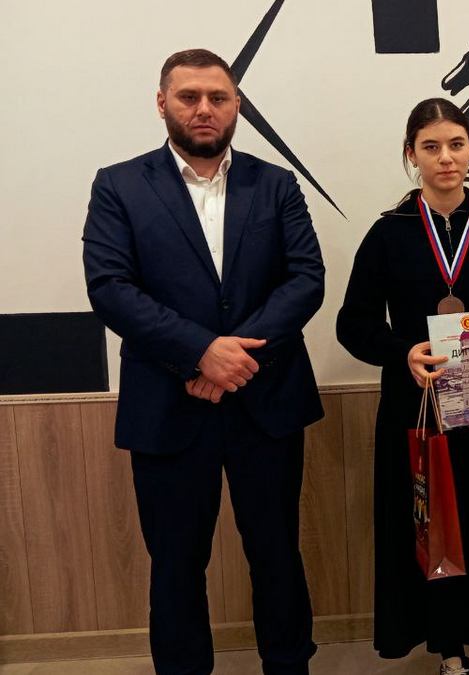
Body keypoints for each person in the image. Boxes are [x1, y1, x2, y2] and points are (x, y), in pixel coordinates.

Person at [82, 49, 325, 674]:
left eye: (218, 97)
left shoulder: (275, 184)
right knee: (176, 563)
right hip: (167, 404)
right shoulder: (119, 185)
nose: (204, 109)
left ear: (236, 104)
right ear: (162, 103)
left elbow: (305, 279)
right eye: (189, 96)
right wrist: (198, 353)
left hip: (265, 402)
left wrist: (231, 358)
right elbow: (110, 287)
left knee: (277, 554)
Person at [336, 97, 469, 675]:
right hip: (417, 416)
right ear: (412, 155)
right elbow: (352, 324)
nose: (445, 158)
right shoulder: (389, 234)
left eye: (456, 144)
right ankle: (450, 653)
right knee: (432, 534)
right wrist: (401, 352)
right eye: (431, 147)